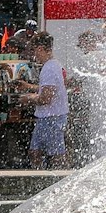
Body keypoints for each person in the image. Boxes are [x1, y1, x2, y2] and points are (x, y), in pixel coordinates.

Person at [22, 33, 69, 169]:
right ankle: (46, 175)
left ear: (40, 49)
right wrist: (28, 86)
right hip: (50, 117)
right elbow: (49, 88)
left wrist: (28, 98)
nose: (34, 55)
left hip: (51, 118)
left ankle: (59, 176)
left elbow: (45, 98)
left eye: (34, 50)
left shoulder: (49, 68)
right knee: (36, 152)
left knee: (55, 155)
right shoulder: (54, 65)